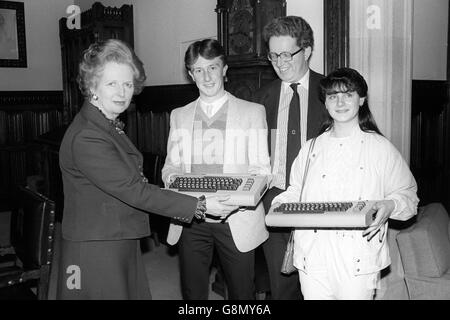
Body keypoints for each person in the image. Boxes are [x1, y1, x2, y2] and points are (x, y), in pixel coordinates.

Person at [57, 39, 228, 300]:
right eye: (111, 83)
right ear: (93, 85)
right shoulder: (88, 136)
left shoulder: (104, 123)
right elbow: (134, 190)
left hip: (114, 235)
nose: (122, 92)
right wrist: (198, 205)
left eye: (127, 84)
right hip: (97, 248)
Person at [271, 67, 419, 299]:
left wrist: (390, 205)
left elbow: (408, 196)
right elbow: (295, 191)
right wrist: (279, 205)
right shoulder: (310, 147)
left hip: (358, 258)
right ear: (326, 103)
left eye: (347, 94)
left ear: (361, 99)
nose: (340, 102)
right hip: (313, 256)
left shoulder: (380, 148)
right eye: (333, 97)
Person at [162, 39, 271, 300]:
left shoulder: (252, 112)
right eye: (198, 70)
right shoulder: (179, 115)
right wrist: (194, 198)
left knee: (242, 292)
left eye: (212, 67)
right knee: (193, 292)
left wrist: (231, 203)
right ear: (190, 74)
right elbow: (170, 169)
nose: (206, 76)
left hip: (236, 217)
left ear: (224, 69)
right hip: (192, 217)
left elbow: (261, 171)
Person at [252, 15, 327, 299]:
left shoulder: (331, 93)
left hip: (321, 205)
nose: (279, 62)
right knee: (282, 288)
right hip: (274, 204)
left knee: (318, 286)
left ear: (306, 50)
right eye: (273, 55)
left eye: (287, 54)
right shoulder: (260, 99)